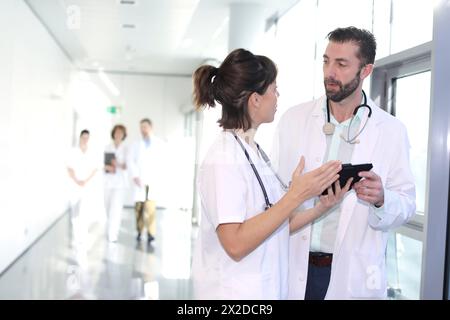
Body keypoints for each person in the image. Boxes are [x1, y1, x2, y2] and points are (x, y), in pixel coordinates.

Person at [191, 48, 351, 300]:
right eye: (274, 89)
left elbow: (273, 223)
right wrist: (295, 196)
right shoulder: (223, 159)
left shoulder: (252, 151)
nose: (278, 96)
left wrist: (320, 207)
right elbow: (235, 244)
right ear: (255, 99)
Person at [272, 26, 416, 299]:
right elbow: (272, 194)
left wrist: (382, 198)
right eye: (326, 61)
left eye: (341, 64)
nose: (330, 73)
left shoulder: (391, 131)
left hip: (351, 272)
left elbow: (407, 203)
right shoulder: (294, 119)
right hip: (294, 265)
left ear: (366, 70)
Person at [128, 118, 162, 244]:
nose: (143, 129)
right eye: (141, 127)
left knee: (150, 208)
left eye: (145, 127)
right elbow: (130, 161)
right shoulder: (135, 144)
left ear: (151, 127)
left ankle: (151, 234)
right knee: (139, 208)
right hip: (139, 180)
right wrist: (135, 176)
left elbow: (161, 161)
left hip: (152, 180)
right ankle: (139, 230)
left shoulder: (158, 143)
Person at [67, 129, 99, 248]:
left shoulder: (92, 153)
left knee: (84, 212)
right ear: (80, 138)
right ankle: (76, 236)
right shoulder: (73, 152)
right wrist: (77, 180)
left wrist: (86, 181)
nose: (85, 140)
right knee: (75, 213)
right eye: (83, 137)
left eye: (87, 138)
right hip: (74, 185)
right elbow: (69, 168)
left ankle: (83, 236)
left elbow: (95, 169)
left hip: (87, 185)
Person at [104, 124, 128, 242]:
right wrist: (109, 166)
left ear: (124, 135)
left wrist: (116, 164)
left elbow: (127, 166)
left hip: (120, 183)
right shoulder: (107, 147)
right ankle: (111, 229)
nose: (118, 134)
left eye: (121, 133)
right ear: (113, 134)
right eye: (116, 132)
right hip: (108, 182)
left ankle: (113, 235)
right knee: (108, 208)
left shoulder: (126, 148)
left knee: (116, 209)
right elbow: (104, 165)